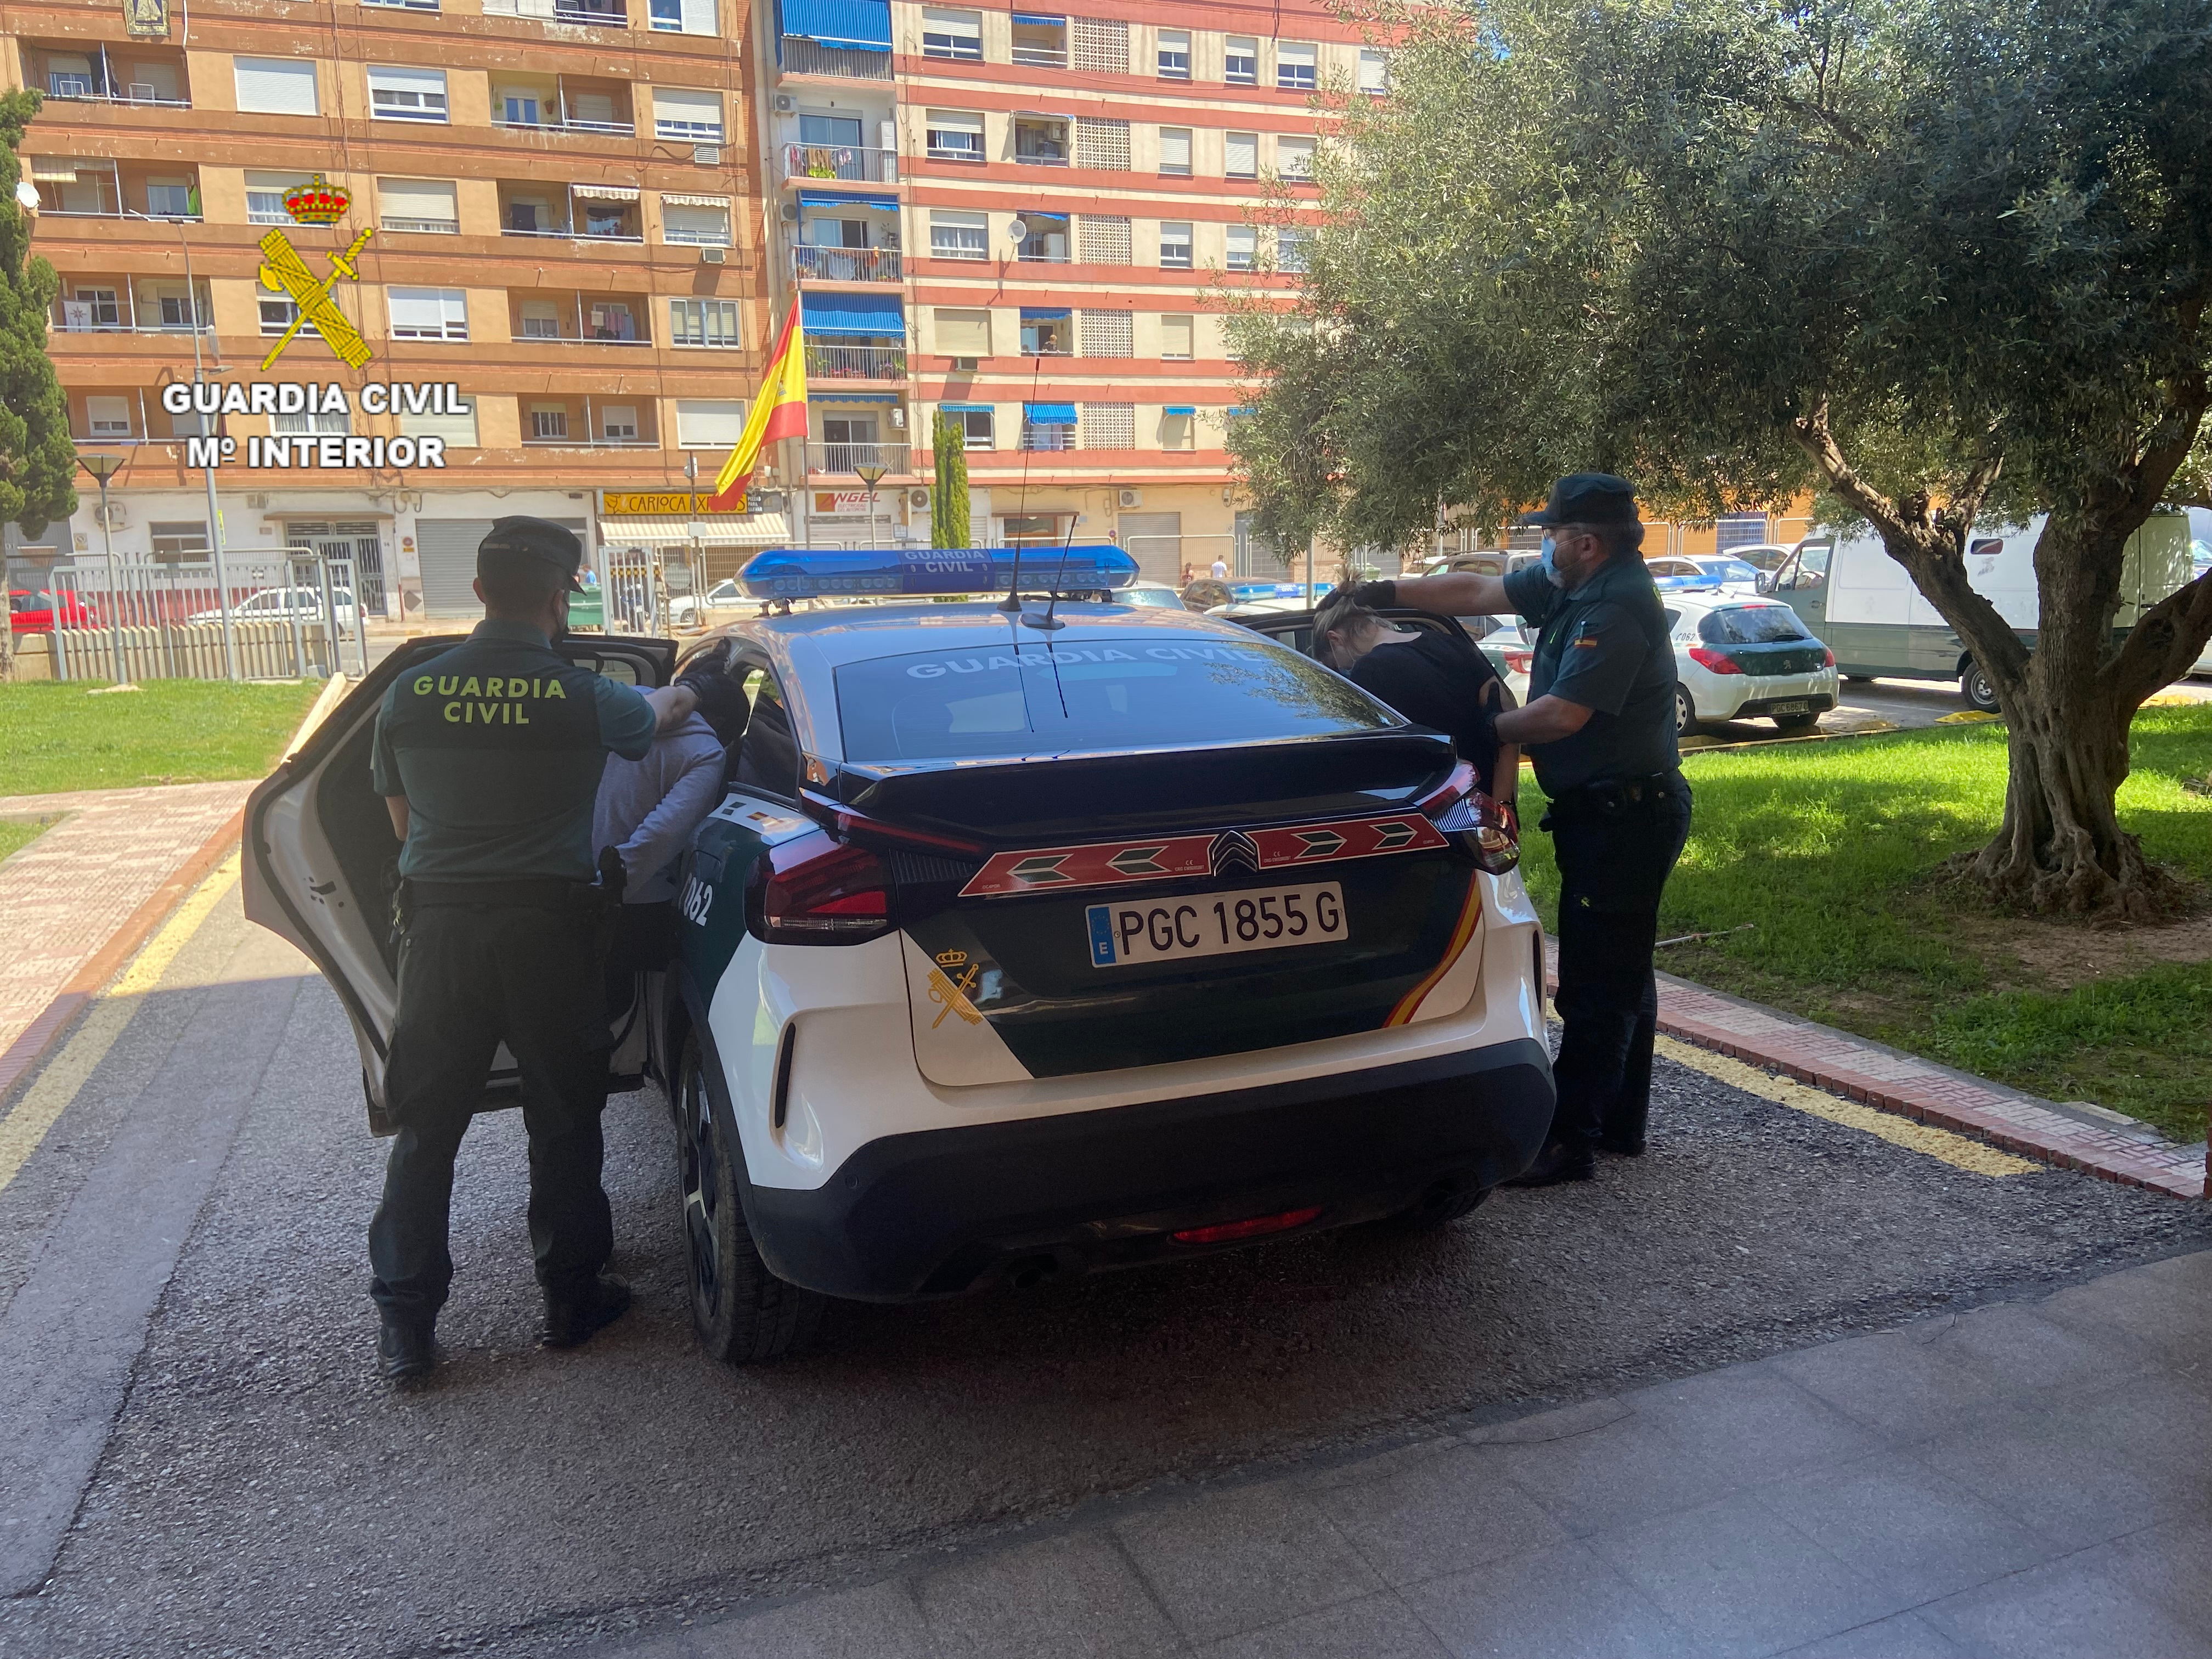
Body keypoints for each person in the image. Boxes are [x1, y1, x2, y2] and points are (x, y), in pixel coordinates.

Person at [368, 516, 698, 1380]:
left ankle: (405, 1327)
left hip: (439, 932)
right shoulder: (586, 697)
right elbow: (657, 714)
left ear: (478, 592)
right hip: (549, 934)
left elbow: (403, 827)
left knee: (426, 1127)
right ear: (561, 599)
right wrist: (687, 695)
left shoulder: (410, 694)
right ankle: (569, 1298)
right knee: (563, 1116)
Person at [1340, 474, 1689, 1186]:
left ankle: (1571, 1143)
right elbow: (1473, 595)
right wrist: (1384, 594)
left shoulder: (1617, 606)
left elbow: (1563, 715)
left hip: (1627, 813)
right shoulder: (1573, 584)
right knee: (1622, 970)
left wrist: (1483, 727)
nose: (1546, 544)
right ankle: (1619, 1121)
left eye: (1554, 534)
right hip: (1610, 808)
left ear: (1585, 543)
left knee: (1596, 981)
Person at [593, 646, 744, 1012]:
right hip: (629, 902)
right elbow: (662, 835)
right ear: (721, 720)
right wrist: (603, 891)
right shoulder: (706, 751)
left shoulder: (623, 704)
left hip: (558, 883)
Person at [1313, 594, 1520, 812]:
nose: (1342, 671)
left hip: (1431, 808)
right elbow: (1508, 725)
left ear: (1335, 640)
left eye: (1334, 665)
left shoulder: (1369, 671)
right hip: (1481, 798)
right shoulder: (1448, 643)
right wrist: (1502, 806)